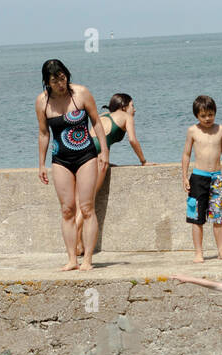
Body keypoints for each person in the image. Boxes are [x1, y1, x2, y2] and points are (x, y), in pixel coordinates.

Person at [35, 59, 109, 270]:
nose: (60, 83)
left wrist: (103, 151)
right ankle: (71, 259)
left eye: (63, 77)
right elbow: (43, 133)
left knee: (87, 208)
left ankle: (87, 260)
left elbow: (96, 121)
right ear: (47, 82)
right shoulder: (42, 102)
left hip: (86, 154)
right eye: (55, 80)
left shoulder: (81, 93)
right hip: (60, 159)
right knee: (67, 210)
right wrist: (41, 164)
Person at [71, 93, 147, 258]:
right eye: (133, 106)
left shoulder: (104, 115)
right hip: (95, 159)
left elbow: (99, 139)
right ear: (124, 106)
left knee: (79, 202)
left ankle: (78, 245)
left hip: (80, 155)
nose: (134, 110)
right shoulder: (126, 117)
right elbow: (133, 140)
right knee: (88, 202)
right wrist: (143, 161)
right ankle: (73, 241)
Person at [181, 95, 222, 262]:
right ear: (197, 116)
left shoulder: (220, 129)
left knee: (219, 217)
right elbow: (186, 154)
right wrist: (184, 176)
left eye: (210, 114)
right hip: (199, 177)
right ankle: (199, 253)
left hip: (217, 178)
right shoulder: (193, 130)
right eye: (203, 116)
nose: (207, 119)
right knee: (197, 218)